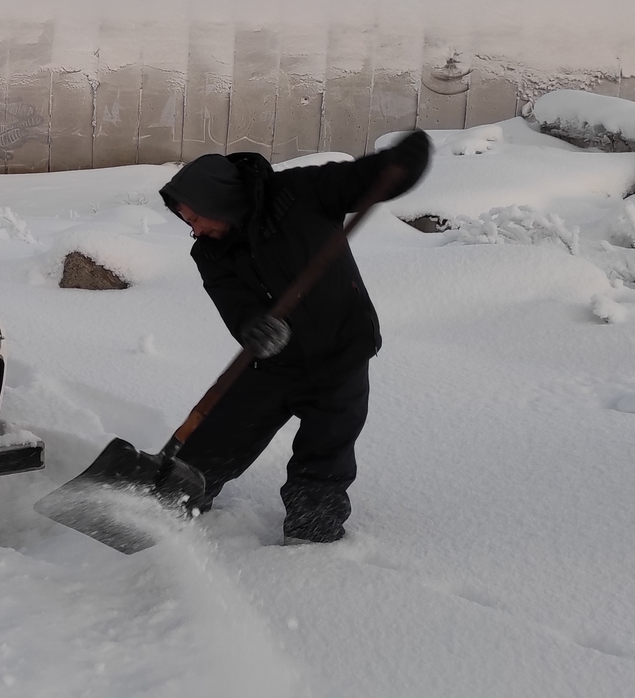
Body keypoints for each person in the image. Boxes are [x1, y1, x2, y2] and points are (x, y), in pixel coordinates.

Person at [157, 132, 431, 543]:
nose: (193, 230)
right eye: (187, 221)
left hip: (340, 351)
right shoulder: (209, 253)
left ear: (220, 200)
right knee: (219, 433)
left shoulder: (300, 192)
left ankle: (311, 531)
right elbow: (233, 302)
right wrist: (253, 325)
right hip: (273, 360)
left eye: (195, 218)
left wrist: (403, 161)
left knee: (326, 449)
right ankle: (166, 503)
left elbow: (366, 179)